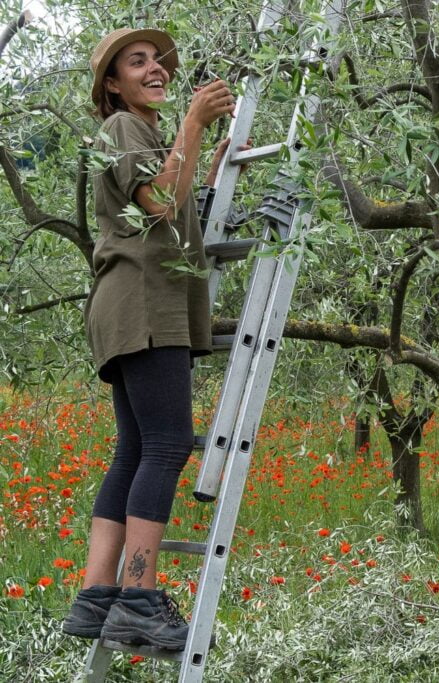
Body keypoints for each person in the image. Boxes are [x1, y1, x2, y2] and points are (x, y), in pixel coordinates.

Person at [60, 27, 240, 650]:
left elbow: (174, 197)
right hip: (142, 307)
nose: (155, 68)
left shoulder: (143, 136)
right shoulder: (121, 129)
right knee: (165, 446)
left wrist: (204, 157)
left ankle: (97, 595)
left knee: (135, 448)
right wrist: (192, 121)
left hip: (133, 306)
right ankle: (138, 597)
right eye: (137, 62)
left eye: (157, 60)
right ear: (113, 84)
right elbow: (162, 202)